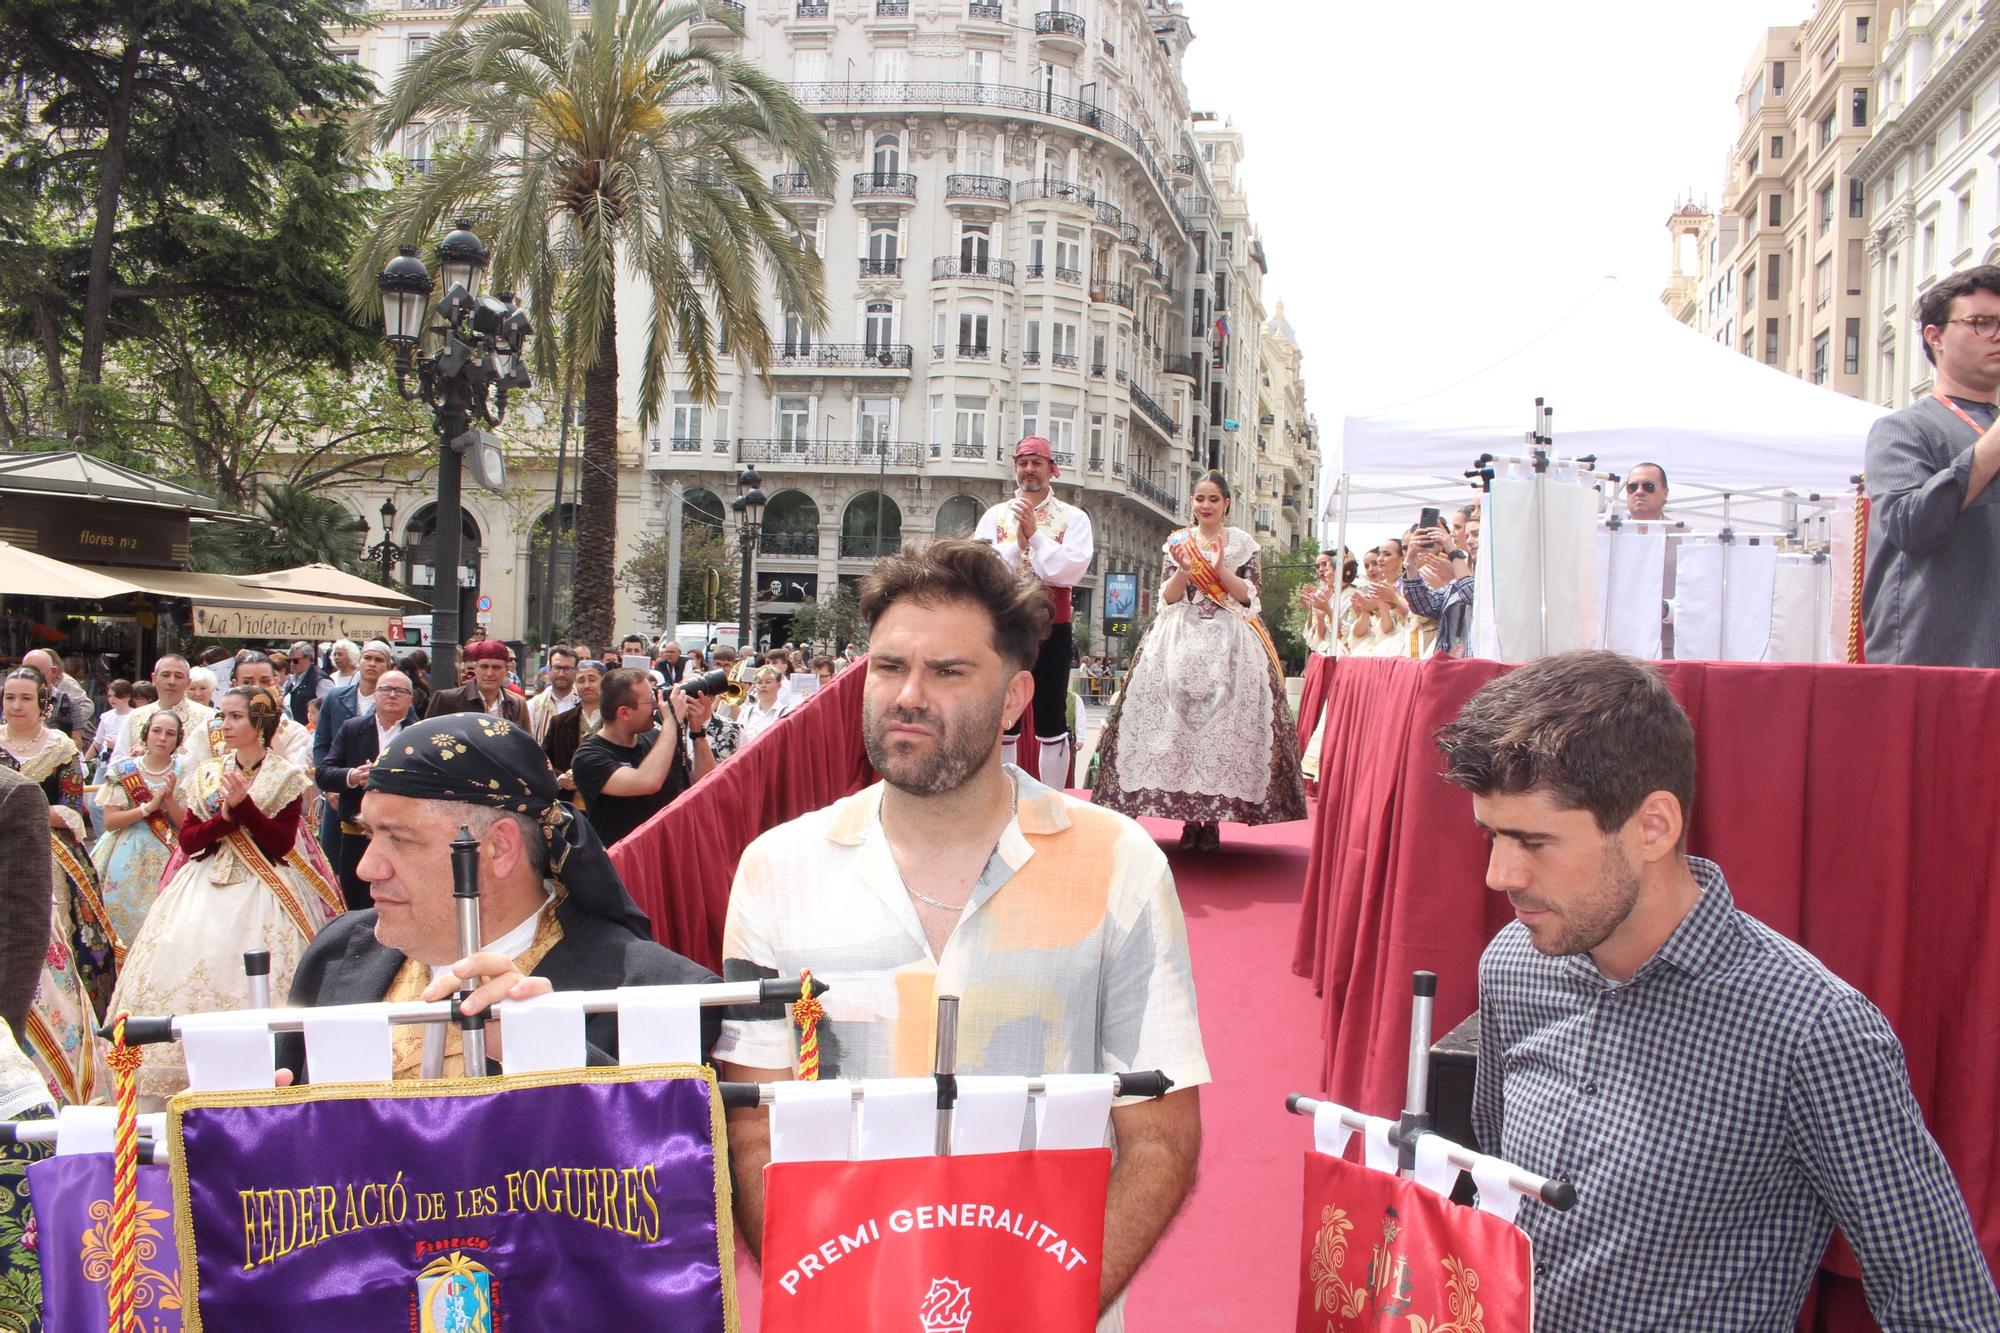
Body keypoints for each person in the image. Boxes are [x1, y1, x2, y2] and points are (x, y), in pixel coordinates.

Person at [715, 541, 1206, 1329]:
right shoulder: (778, 867)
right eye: (887, 667)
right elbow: (751, 1126)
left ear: (1014, 698)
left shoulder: (1119, 864)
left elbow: (1160, 1139)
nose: (907, 695)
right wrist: (840, 1301)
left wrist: (1047, 1306)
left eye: (947, 672)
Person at [1436, 651, 1999, 1331]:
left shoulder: (1814, 1032)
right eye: (1492, 835)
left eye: (1534, 840)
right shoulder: (1513, 964)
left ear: (1653, 826)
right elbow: (1501, 1182)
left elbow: (1940, 1299)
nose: (1500, 874)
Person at [278, 713, 720, 1081]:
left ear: (498, 848)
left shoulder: (656, 996)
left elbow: (667, 1168)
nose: (366, 868)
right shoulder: (337, 952)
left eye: (400, 838)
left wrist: (555, 1055)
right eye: (370, 833)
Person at [109, 684, 342, 1105]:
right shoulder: (207, 773)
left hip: (266, 891)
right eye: (222, 716)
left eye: (235, 717)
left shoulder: (285, 776)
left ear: (260, 723)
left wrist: (244, 808)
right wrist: (227, 817)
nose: (225, 725)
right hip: (203, 885)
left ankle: (269, 1075)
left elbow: (280, 844)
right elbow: (190, 841)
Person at [1090, 472, 1307, 851]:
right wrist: (1184, 571)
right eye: (1199, 498)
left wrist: (1221, 568)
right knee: (1174, 731)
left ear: (1226, 504)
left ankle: (1214, 820)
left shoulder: (1244, 545)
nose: (1205, 505)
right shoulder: (1177, 544)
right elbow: (1168, 599)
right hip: (1178, 641)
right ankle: (1191, 819)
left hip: (1230, 645)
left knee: (1223, 734)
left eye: (1213, 499)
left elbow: (1247, 601)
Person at [1863, 264, 2000, 666]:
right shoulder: (1902, 429)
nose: (1997, 333)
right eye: (1981, 322)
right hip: (1941, 663)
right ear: (1935, 337)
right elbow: (1911, 525)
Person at [1, 668, 115, 1105]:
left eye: (24, 698)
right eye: (9, 697)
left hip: (38, 854)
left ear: (42, 703)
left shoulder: (55, 753)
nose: (15, 706)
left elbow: (72, 808)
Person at [973, 434, 1094, 783]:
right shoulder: (995, 515)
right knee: (1003, 712)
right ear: (1015, 467)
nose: (1029, 469)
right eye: (1023, 462)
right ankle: (1003, 793)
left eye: (1036, 462)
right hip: (1005, 622)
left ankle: (1052, 798)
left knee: (1051, 715)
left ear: (1050, 468)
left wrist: (1036, 537)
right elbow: (984, 568)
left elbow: (1068, 570)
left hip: (1051, 624)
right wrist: (1016, 544)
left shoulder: (1072, 518)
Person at [570, 669, 714, 847]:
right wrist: (671, 721)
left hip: (668, 856)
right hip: (625, 865)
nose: (657, 705)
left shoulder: (657, 739)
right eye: (650, 701)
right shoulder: (589, 758)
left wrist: (697, 731)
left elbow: (702, 783)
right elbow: (648, 782)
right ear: (624, 713)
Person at [316, 670, 416, 910]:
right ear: (375, 696)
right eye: (385, 689)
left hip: (404, 830)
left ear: (411, 698)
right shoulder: (353, 728)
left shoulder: (419, 731)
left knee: (400, 894)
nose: (392, 695)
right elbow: (324, 773)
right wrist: (352, 775)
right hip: (357, 829)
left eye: (400, 691)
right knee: (357, 898)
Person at [89, 709, 188, 949]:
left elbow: (186, 824)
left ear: (177, 740)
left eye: (170, 733)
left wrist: (170, 801)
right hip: (124, 850)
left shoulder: (186, 771)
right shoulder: (124, 770)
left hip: (170, 850)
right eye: (156, 731)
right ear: (146, 734)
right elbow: (111, 821)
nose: (162, 738)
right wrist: (147, 808)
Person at [313, 640, 396, 881]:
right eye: (367, 658)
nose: (372, 664)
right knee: (333, 856)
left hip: (377, 794)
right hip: (339, 787)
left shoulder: (395, 700)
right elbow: (321, 742)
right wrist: (331, 786)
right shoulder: (335, 697)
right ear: (358, 662)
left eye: (379, 660)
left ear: (388, 666)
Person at [1400, 509, 1480, 658]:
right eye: (1468, 535)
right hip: (1449, 666)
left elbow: (1472, 595)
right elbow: (1423, 605)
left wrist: (1451, 550)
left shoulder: (1494, 577)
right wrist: (1411, 562)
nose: (1469, 540)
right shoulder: (1457, 579)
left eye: (1476, 534)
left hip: (1476, 669)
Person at [118, 655, 215, 765]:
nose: (172, 681)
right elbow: (118, 762)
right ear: (154, 679)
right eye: (166, 675)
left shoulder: (208, 717)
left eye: (178, 676)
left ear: (188, 682)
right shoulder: (134, 717)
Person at [231, 651, 314, 768]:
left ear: (275, 682)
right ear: (235, 685)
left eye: (265, 681)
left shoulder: (295, 733)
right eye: (247, 682)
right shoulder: (213, 731)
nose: (257, 688)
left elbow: (298, 780)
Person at [426, 640, 532, 726]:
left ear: (506, 671)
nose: (489, 673)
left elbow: (524, 745)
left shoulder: (517, 704)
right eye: (484, 666)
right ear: (475, 669)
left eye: (496, 667)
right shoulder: (448, 699)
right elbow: (427, 737)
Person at [543, 659, 605, 799]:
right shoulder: (560, 722)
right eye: (581, 680)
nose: (587, 685)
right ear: (575, 685)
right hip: (569, 803)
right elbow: (542, 760)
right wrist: (559, 778)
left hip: (606, 804)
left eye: (592, 679)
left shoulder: (616, 721)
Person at [22, 649, 88, 743]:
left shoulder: (67, 702)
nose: (32, 679)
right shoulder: (10, 700)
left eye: (39, 674)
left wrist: (48, 734)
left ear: (53, 671)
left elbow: (77, 745)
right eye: (26, 674)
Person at [527, 645, 580, 742]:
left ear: (575, 671)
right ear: (549, 670)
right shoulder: (533, 706)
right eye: (557, 668)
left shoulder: (583, 703)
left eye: (567, 668)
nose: (561, 674)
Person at [735, 665, 791, 748]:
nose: (763, 686)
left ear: (778, 685)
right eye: (759, 682)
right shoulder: (745, 713)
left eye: (768, 682)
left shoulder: (786, 714)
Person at [85, 678, 134, 766]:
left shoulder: (135, 716)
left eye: (117, 696)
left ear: (128, 697)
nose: (112, 699)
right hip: (105, 760)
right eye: (110, 696)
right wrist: (85, 763)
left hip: (126, 763)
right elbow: (97, 742)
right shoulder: (106, 716)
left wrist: (116, 745)